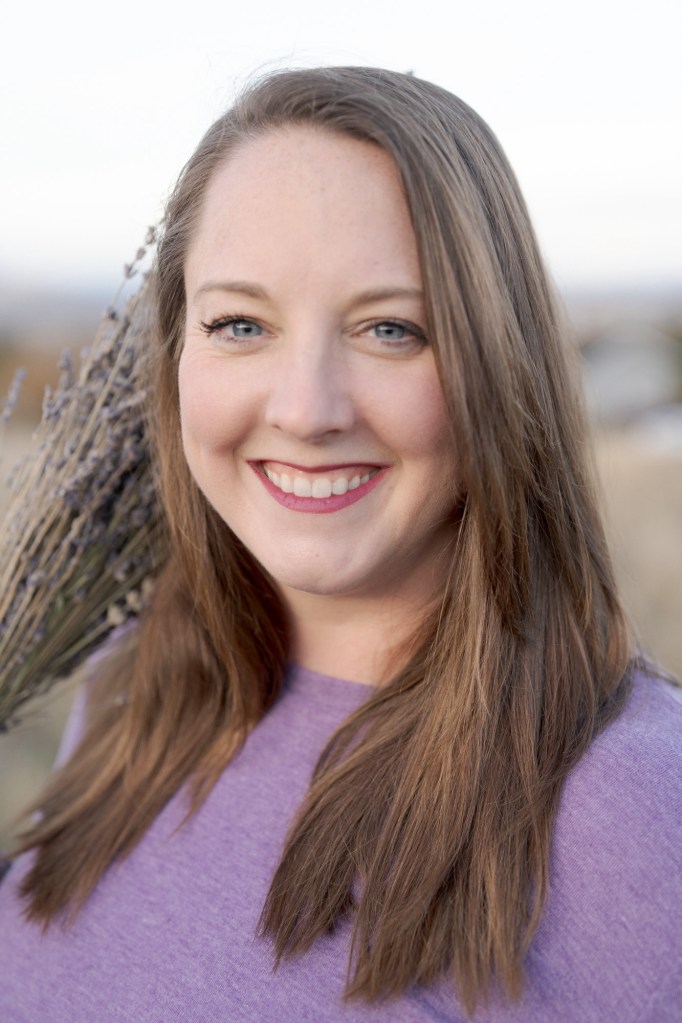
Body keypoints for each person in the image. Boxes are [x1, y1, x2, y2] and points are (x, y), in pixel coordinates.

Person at [0, 66, 680, 1022]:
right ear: (176, 355)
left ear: (499, 362)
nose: (307, 409)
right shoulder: (125, 688)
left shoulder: (646, 815)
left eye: (391, 329)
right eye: (241, 324)